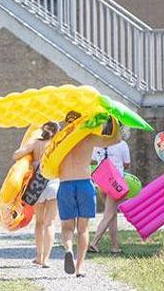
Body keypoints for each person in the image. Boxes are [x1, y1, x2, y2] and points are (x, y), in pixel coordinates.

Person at [57, 111, 121, 277]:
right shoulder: (89, 138)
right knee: (83, 229)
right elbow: (115, 139)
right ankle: (80, 268)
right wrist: (113, 119)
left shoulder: (59, 140)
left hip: (65, 184)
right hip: (84, 184)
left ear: (66, 123)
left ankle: (69, 249)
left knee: (67, 227)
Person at [12, 121, 61, 268]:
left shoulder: (35, 143)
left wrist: (29, 158)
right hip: (53, 184)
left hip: (36, 186)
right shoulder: (57, 144)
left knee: (39, 222)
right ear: (57, 131)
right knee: (50, 223)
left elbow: (16, 155)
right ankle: (46, 259)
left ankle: (38, 257)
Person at [88, 130, 131, 254]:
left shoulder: (97, 144)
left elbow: (93, 161)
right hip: (115, 183)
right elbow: (127, 164)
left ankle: (115, 245)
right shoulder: (122, 144)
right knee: (109, 214)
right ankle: (95, 242)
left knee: (112, 214)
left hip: (102, 181)